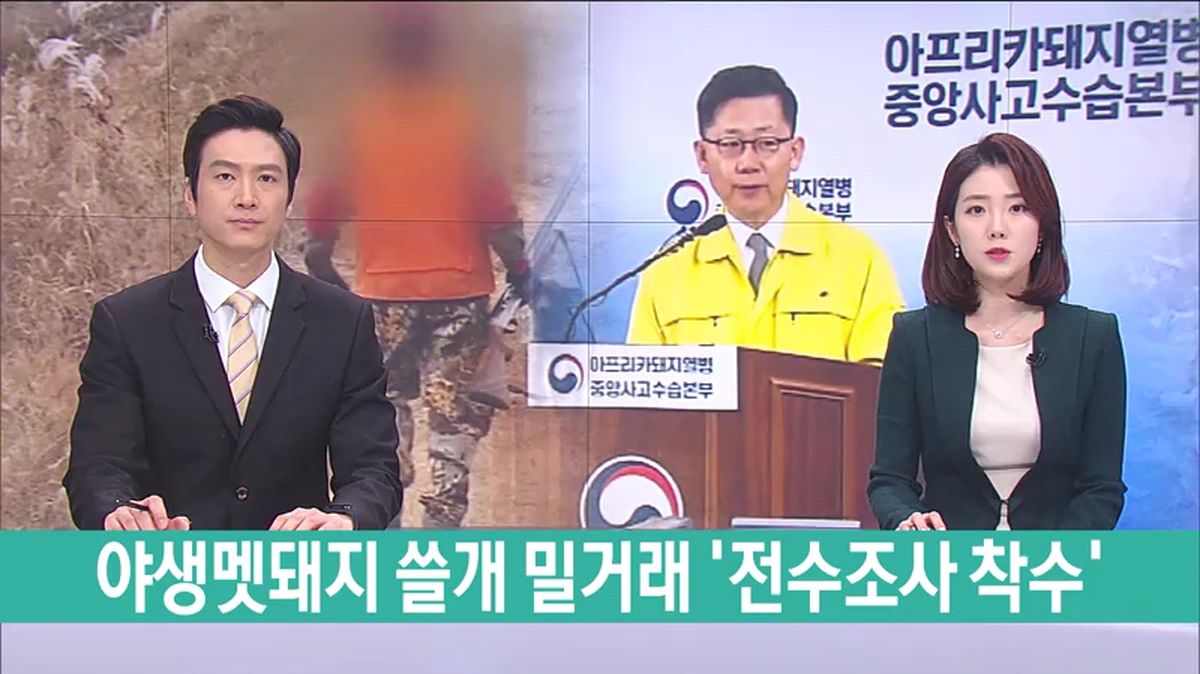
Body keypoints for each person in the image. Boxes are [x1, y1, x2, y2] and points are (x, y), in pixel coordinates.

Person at [62, 95, 404, 531]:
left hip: (295, 566)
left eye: (266, 179)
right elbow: (98, 464)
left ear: (289, 199)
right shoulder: (128, 322)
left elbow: (374, 468)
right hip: (170, 564)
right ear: (190, 195)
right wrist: (119, 512)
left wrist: (343, 519)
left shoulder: (342, 322)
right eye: (225, 176)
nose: (247, 198)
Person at [303, 3, 530, 529]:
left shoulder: (358, 118)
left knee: (383, 414)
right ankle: (440, 535)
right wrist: (518, 264)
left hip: (381, 295)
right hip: (459, 290)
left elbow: (327, 200)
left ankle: (382, 527)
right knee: (451, 419)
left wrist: (323, 259)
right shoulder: (463, 116)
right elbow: (491, 199)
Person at [867, 132, 1128, 531]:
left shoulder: (1093, 337)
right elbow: (890, 480)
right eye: (976, 210)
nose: (997, 228)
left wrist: (1053, 557)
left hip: (1058, 562)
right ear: (952, 230)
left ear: (1043, 226)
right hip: (948, 559)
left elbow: (1101, 488)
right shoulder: (915, 338)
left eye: (1018, 208)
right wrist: (906, 519)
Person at [626, 64, 905, 364]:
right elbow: (645, 388)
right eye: (730, 144)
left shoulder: (859, 259)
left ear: (795, 152)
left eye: (767, 144)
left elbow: (884, 382)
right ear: (703, 156)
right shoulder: (666, 270)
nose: (748, 163)